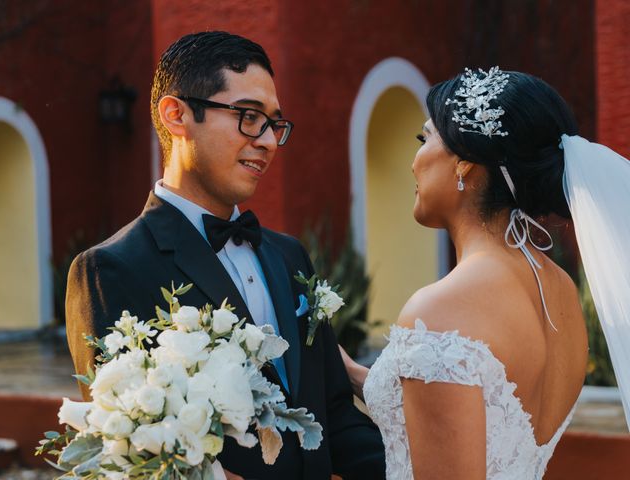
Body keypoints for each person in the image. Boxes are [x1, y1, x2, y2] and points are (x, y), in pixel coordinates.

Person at [66, 31, 385, 480]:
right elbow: (128, 449)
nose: (269, 142)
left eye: (275, 124)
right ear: (176, 115)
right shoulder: (110, 269)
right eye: (249, 117)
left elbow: (334, 412)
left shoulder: (289, 255)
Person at [340, 66, 630, 479]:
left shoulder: (441, 310)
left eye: (424, 139)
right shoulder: (559, 291)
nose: (413, 163)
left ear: (464, 163)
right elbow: (476, 413)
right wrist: (353, 374)